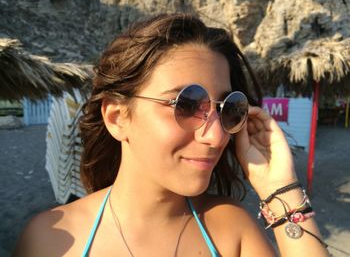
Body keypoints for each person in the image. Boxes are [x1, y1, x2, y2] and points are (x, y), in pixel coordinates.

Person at [14, 13, 329, 257]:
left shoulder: (232, 233)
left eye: (227, 108)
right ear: (117, 117)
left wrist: (281, 189)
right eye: (187, 104)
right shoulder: (48, 240)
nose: (217, 136)